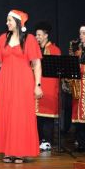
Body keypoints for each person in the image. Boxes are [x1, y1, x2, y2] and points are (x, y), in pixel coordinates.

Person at [0, 10, 43, 164]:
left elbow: (37, 63)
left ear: (18, 22)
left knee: (20, 116)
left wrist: (37, 85)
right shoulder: (2, 38)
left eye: (9, 20)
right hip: (5, 81)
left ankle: (19, 151)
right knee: (5, 114)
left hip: (23, 82)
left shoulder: (30, 39)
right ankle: (8, 150)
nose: (7, 23)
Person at [34, 21, 61, 151]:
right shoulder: (35, 49)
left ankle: (47, 140)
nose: (37, 37)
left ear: (46, 35)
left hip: (49, 86)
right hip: (36, 85)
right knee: (37, 116)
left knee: (47, 116)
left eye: (39, 35)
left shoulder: (55, 50)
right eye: (36, 35)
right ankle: (37, 139)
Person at [71, 25, 85, 152]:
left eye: (83, 33)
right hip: (79, 84)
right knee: (78, 114)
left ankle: (84, 141)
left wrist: (80, 68)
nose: (81, 36)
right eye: (80, 33)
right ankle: (81, 141)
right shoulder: (79, 49)